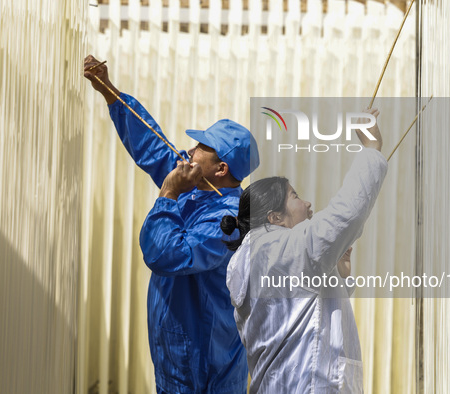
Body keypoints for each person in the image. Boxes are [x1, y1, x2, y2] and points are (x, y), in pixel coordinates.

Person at [84, 55, 258, 393]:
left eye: (199, 148)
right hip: (181, 359)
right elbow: (154, 146)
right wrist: (110, 93)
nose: (189, 152)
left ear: (220, 168)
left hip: (202, 367)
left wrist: (168, 193)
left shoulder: (230, 222)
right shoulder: (202, 189)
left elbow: (164, 254)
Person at [221, 108, 386, 393]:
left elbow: (298, 313)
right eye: (295, 196)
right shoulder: (275, 250)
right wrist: (371, 150)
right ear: (274, 217)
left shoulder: (260, 255)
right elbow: (343, 215)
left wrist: (339, 277)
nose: (307, 204)